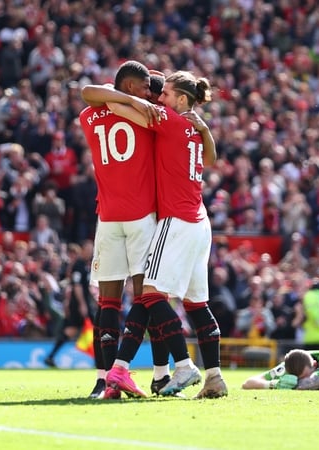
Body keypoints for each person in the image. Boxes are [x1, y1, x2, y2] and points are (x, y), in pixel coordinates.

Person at [90, 70, 227, 398]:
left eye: (164, 93)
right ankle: (215, 377)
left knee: (150, 295)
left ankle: (181, 367)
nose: (158, 98)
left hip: (176, 221)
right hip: (200, 222)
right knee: (196, 304)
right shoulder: (194, 128)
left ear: (181, 99)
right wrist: (206, 128)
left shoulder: (170, 120)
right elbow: (212, 158)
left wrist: (130, 97)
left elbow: (112, 103)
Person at [77, 60, 160, 399]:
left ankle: (103, 379)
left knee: (107, 301)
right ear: (128, 88)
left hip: (108, 217)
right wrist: (138, 103)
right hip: (140, 215)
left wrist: (129, 99)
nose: (148, 95)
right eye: (143, 89)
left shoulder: (88, 117)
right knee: (149, 297)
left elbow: (87, 93)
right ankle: (156, 374)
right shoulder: (144, 116)